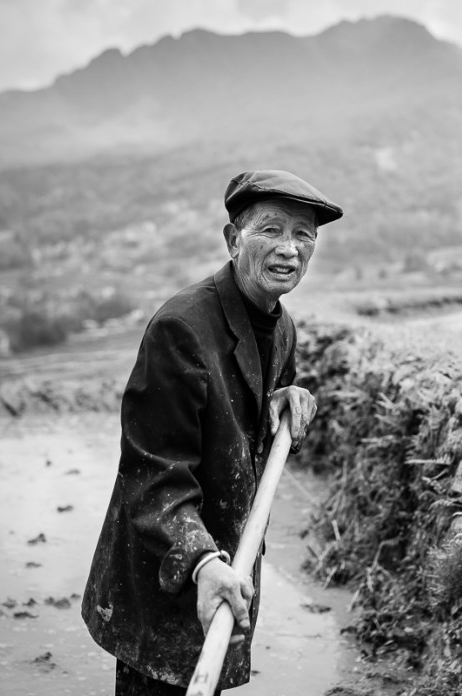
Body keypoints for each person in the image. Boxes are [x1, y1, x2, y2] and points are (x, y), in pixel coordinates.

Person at [81, 170, 343, 695]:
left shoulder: (280, 324)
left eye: (303, 235)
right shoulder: (180, 329)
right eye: (270, 230)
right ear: (233, 239)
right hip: (169, 571)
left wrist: (280, 399)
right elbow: (154, 475)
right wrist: (203, 563)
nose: (289, 248)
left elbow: (240, 415)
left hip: (229, 562)